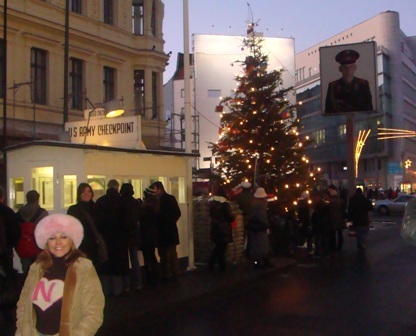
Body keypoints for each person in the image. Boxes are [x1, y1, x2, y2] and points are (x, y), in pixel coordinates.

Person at [15, 213, 104, 335]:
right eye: (52, 238)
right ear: (46, 242)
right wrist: (22, 330)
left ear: (72, 240)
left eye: (63, 237)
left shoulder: (83, 268)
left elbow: (94, 314)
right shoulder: (37, 268)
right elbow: (23, 304)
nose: (58, 242)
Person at [95, 179, 129, 296]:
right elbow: (127, 221)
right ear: (117, 187)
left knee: (106, 265)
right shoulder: (122, 201)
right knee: (118, 266)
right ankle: (118, 290)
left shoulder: (100, 201)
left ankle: (105, 291)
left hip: (105, 238)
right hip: (120, 239)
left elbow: (97, 221)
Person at [67, 183, 104, 269]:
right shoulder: (74, 209)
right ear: (79, 194)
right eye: (83, 192)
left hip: (94, 245)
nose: (86, 194)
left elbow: (101, 226)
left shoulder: (96, 208)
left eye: (89, 191)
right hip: (80, 245)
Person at [150, 181, 181, 283]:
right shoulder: (170, 199)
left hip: (162, 231)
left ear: (159, 189)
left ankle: (166, 274)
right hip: (170, 230)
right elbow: (177, 213)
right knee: (171, 253)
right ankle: (174, 274)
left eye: (154, 189)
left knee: (164, 254)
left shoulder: (157, 201)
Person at [325, 49, 373, 113]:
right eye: (345, 68)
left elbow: (369, 109)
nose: (348, 71)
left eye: (351, 67)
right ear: (340, 69)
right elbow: (328, 110)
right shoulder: (333, 86)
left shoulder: (363, 84)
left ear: (355, 68)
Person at [16, 190, 49, 277]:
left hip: (24, 246)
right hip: (38, 247)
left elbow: (15, 232)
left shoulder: (19, 214)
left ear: (27, 199)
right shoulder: (43, 213)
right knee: (39, 271)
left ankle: (26, 288)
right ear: (38, 199)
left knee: (26, 271)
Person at [119, 183, 143, 291]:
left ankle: (126, 285)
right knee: (135, 259)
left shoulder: (119, 202)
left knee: (124, 260)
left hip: (123, 234)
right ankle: (137, 282)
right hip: (134, 234)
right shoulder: (135, 202)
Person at [208, 186, 235, 273]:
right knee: (222, 248)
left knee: (217, 246)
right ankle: (221, 266)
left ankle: (212, 264)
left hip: (215, 227)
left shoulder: (211, 203)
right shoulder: (225, 204)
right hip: (224, 228)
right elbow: (230, 217)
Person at [247, 187, 272, 268]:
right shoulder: (261, 205)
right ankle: (263, 261)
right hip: (260, 227)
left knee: (255, 244)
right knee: (262, 244)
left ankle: (257, 261)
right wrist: (267, 225)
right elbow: (262, 217)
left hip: (253, 226)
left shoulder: (253, 203)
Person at [140, 187, 160, 286]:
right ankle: (155, 277)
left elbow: (142, 220)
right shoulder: (156, 205)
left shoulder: (146, 207)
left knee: (148, 257)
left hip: (146, 235)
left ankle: (150, 278)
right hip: (153, 234)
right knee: (152, 256)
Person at [348, 188, 373, 252]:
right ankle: (362, 245)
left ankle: (359, 244)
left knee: (357, 232)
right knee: (363, 233)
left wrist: (349, 221)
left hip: (355, 219)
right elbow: (370, 207)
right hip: (364, 219)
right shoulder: (365, 199)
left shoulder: (352, 200)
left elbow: (349, 211)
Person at [234, 181, 253, 258]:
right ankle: (250, 251)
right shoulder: (253, 197)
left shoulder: (239, 197)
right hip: (252, 217)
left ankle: (242, 253)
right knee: (251, 236)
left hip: (242, 218)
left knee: (242, 236)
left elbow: (236, 207)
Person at [327, 185, 346, 252]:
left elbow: (329, 210)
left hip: (333, 219)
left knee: (333, 233)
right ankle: (340, 246)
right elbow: (344, 209)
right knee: (340, 233)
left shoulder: (330, 202)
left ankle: (333, 246)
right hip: (340, 219)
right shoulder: (341, 201)